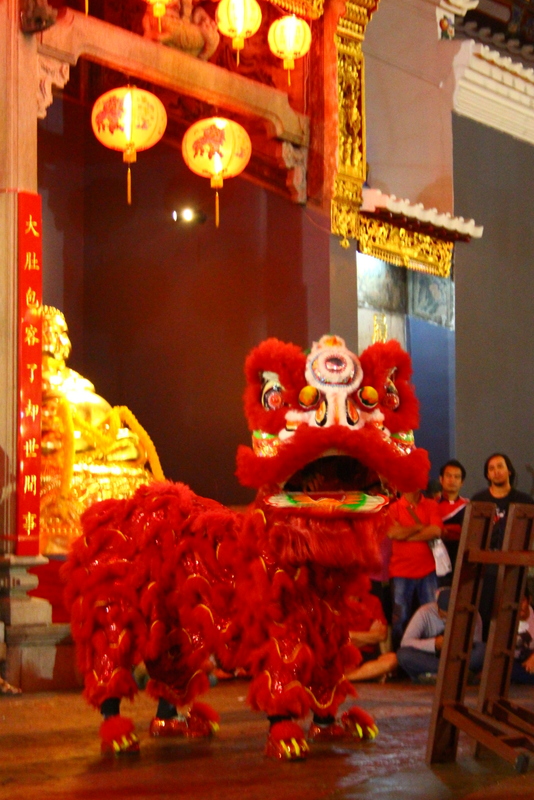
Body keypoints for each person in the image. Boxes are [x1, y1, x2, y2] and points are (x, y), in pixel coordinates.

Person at [471, 453, 534, 639]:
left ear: (509, 470)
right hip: (486, 565)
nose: (496, 471)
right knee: (485, 608)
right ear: (487, 474)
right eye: (491, 468)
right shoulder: (479, 499)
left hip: (515, 564)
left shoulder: (524, 500)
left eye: (500, 466)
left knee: (511, 610)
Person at [386, 489, 444, 650]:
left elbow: (436, 531)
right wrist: (420, 526)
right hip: (400, 572)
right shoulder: (394, 508)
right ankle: (398, 656)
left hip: (428, 570)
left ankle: (432, 653)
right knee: (400, 618)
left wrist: (405, 534)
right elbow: (392, 533)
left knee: (433, 617)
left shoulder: (432, 505)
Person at [396, 587, 485, 683]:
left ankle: (433, 675)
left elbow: (476, 644)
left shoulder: (472, 614)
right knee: (403, 655)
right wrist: (434, 644)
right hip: (432, 658)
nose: (447, 619)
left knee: (482, 650)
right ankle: (456, 674)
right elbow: (405, 642)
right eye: (444, 616)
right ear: (437, 608)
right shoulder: (424, 612)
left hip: (458, 657)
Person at [436, 459, 469, 584]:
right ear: (441, 479)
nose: (452, 480)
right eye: (448, 476)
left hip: (462, 559)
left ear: (462, 482)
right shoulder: (431, 505)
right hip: (437, 559)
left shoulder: (469, 506)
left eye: (457, 477)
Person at [511, 588, 534, 684]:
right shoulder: (506, 619)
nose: (519, 605)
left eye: (523, 600)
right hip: (514, 663)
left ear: (529, 600)